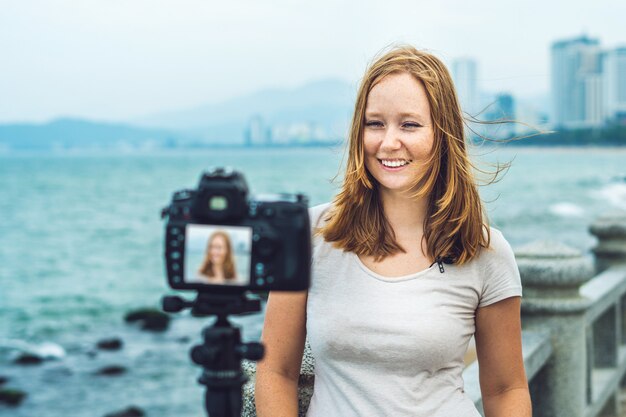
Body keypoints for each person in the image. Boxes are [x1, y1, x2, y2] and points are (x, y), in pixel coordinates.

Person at [255, 45, 531, 417]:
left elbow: (505, 389)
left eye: (410, 124)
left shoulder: (484, 250)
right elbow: (276, 370)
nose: (388, 142)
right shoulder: (309, 235)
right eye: (375, 123)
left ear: (442, 135)